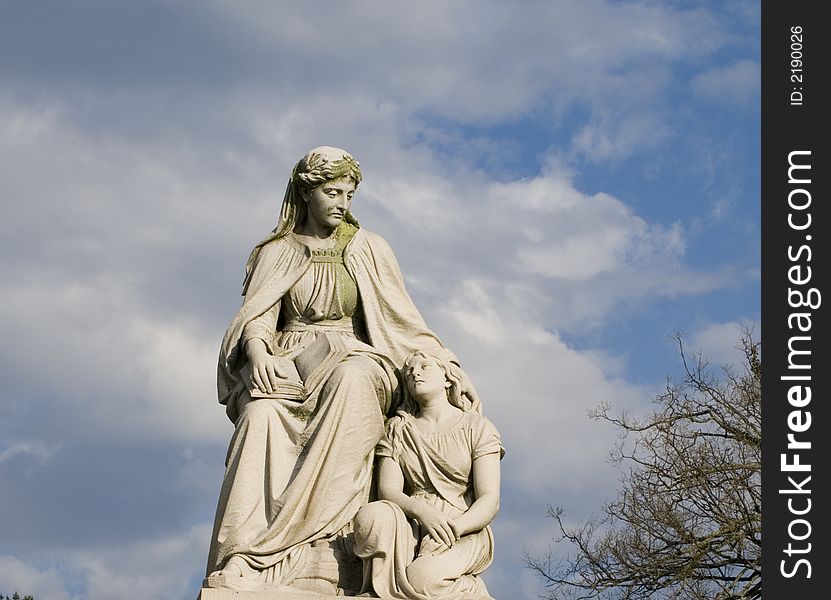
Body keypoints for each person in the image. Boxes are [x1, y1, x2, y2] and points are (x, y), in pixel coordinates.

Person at [205, 146, 477, 592]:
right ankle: (248, 558)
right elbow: (256, 317)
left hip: (355, 358)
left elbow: (403, 320)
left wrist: (446, 365)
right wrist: (259, 355)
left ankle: (327, 550)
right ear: (306, 193)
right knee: (259, 418)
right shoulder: (277, 251)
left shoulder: (368, 249)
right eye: (332, 193)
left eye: (349, 195)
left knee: (355, 380)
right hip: (290, 363)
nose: (342, 203)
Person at [353, 350, 503, 600]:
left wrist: (456, 527)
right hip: (413, 519)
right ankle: (381, 590)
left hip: (462, 525)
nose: (415, 373)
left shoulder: (477, 427)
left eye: (424, 366)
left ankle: (471, 593)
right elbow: (388, 491)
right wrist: (422, 512)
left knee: (423, 580)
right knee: (373, 514)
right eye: (410, 370)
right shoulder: (399, 429)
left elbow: (490, 499)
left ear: (448, 378)